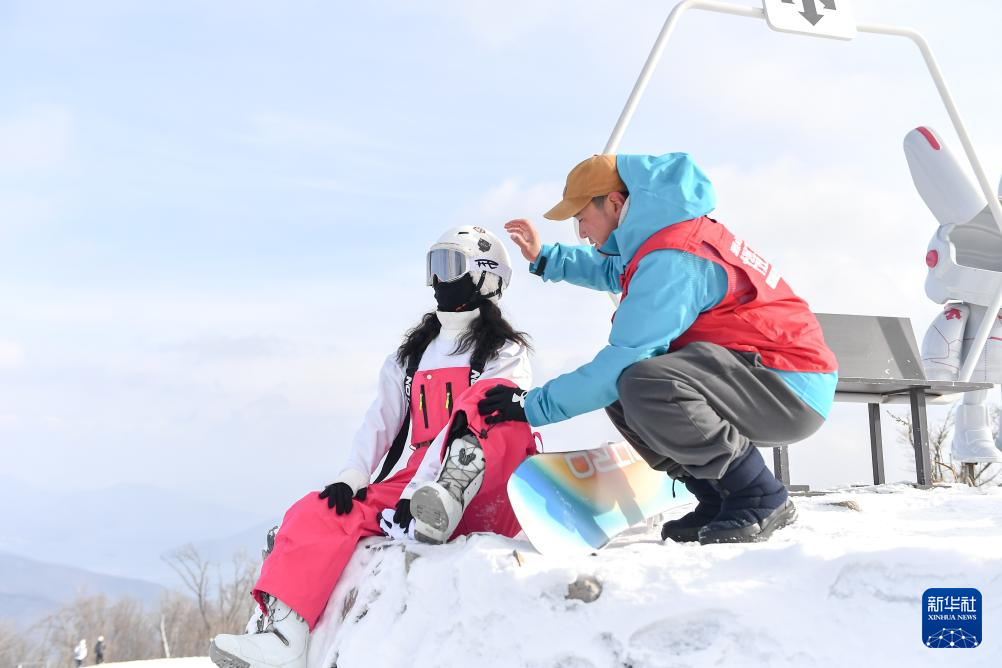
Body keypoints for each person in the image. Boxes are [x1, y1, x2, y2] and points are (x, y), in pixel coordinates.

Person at [210, 226, 537, 668]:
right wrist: (354, 475)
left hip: (487, 481)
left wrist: (429, 481)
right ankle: (285, 639)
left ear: (484, 277)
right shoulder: (412, 357)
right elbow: (380, 422)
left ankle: (444, 497)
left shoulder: (504, 352)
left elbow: (500, 422)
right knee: (315, 511)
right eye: (434, 267)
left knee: (489, 400)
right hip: (418, 479)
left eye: (450, 266)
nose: (438, 281)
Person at [486, 153, 837, 545]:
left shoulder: (675, 257)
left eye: (582, 217)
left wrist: (530, 406)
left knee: (640, 381)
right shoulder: (664, 238)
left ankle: (758, 493)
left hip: (788, 385)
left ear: (615, 204)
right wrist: (546, 257)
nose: (581, 232)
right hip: (763, 374)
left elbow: (622, 360)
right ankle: (717, 495)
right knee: (626, 391)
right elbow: (612, 270)